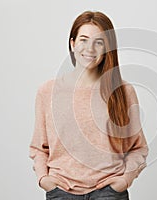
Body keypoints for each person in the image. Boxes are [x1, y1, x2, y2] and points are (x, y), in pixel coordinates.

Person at [29, 10, 149, 200]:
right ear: (72, 43)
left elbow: (138, 147)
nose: (90, 49)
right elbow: (39, 148)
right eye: (83, 40)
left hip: (109, 193)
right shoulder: (47, 92)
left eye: (99, 42)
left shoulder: (123, 91)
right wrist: (44, 179)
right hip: (61, 191)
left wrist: (124, 180)